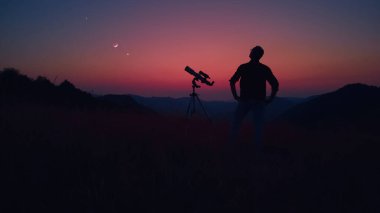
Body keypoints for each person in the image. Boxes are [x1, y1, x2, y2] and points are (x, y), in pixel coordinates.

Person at [229, 46, 279, 147]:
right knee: (258, 126)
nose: (251, 52)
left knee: (236, 123)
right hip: (259, 101)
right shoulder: (264, 69)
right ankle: (257, 149)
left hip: (245, 100)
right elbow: (275, 84)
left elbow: (232, 81)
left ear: (253, 54)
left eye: (252, 51)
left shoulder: (243, 67)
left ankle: (232, 145)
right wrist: (270, 99)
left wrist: (235, 96)